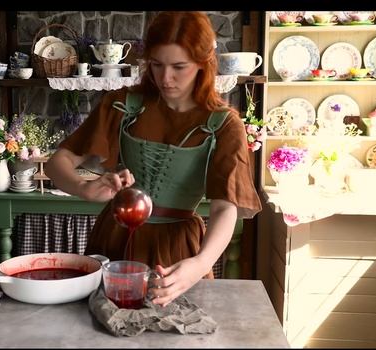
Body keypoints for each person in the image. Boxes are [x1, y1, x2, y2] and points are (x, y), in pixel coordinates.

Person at [45, 11, 262, 306]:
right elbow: (58, 162)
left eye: (179, 67)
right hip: (115, 239)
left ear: (203, 63)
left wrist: (200, 265)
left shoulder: (223, 125)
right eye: (157, 65)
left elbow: (226, 208)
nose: (165, 78)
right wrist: (84, 188)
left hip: (178, 251)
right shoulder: (122, 105)